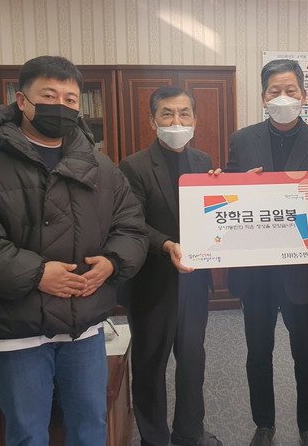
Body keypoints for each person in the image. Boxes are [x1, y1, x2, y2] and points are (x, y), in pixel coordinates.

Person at [0, 55, 148, 445]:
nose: (61, 105)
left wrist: (112, 262)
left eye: (70, 99)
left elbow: (131, 226)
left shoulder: (101, 167)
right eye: (49, 95)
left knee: (92, 426)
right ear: (22, 101)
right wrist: (37, 274)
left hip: (83, 324)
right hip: (16, 328)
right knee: (27, 433)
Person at [225, 59, 308, 446]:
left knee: (306, 355)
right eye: (275, 91)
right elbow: (227, 198)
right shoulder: (243, 140)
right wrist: (235, 186)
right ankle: (264, 424)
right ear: (263, 97)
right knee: (258, 353)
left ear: (304, 95)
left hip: (303, 271)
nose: (283, 97)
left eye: (291, 90)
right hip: (256, 271)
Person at [118, 87, 222, 446]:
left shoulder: (203, 160)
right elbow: (133, 222)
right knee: (150, 365)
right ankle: (154, 438)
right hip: (152, 282)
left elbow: (212, 212)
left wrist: (232, 190)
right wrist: (166, 245)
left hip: (194, 283)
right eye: (167, 113)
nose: (176, 121)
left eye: (184, 113)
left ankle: (189, 433)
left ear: (195, 119)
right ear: (153, 121)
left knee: (192, 361)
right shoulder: (133, 166)